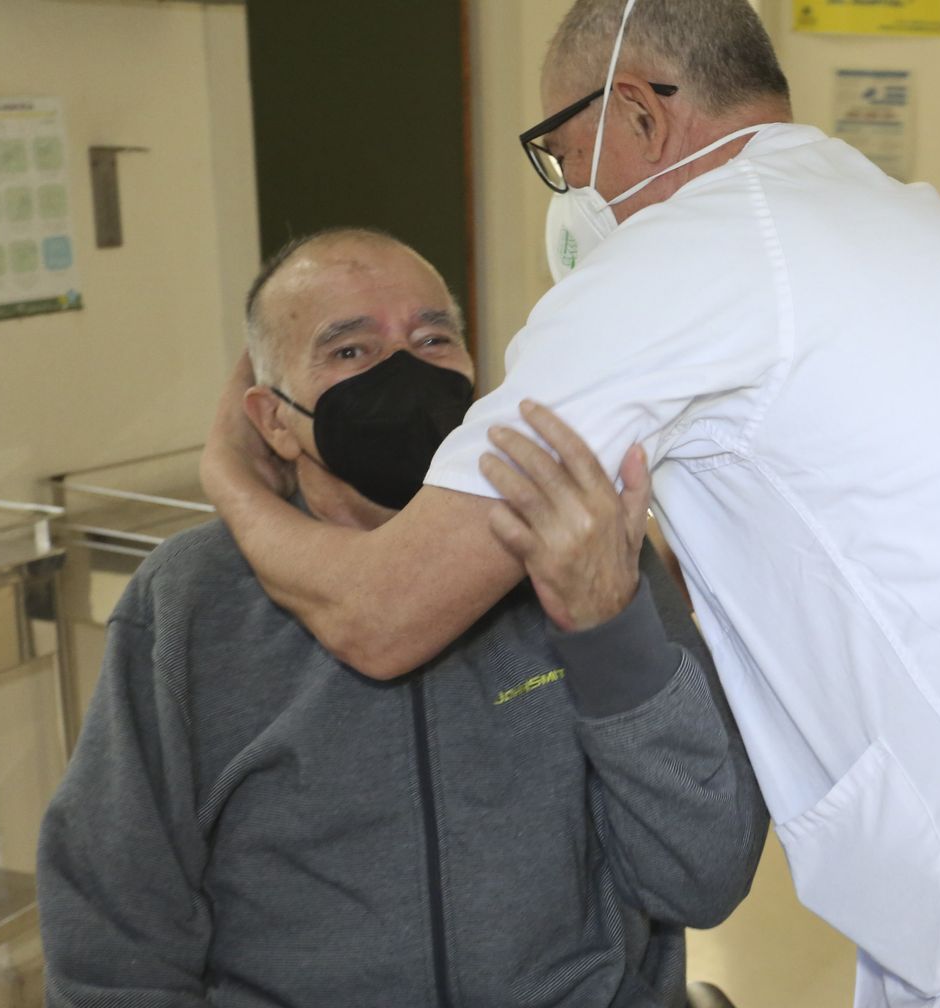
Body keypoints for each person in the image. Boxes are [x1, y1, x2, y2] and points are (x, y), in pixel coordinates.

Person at [199, 4, 940, 1005]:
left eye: (563, 154)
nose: (571, 194)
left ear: (638, 114)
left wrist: (225, 482)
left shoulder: (675, 262)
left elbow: (384, 613)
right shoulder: (900, 216)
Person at [39, 228, 766, 1007]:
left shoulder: (581, 555)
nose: (405, 370)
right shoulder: (189, 604)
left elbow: (704, 877)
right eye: (348, 350)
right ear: (274, 419)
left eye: (432, 337)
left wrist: (606, 628)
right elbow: (114, 937)